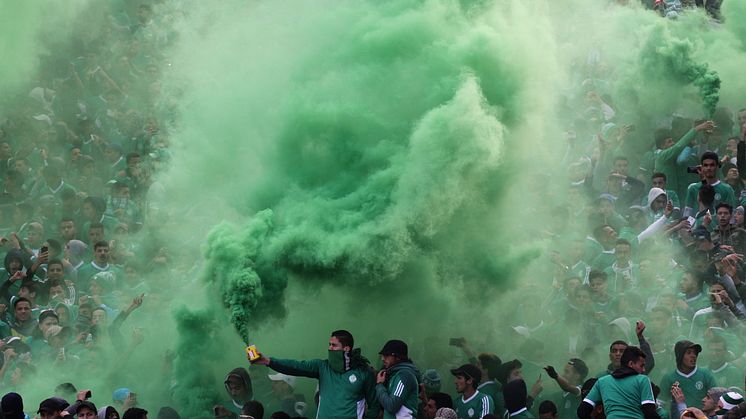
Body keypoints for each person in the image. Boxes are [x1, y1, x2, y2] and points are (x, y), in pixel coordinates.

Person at [251, 330, 379, 419]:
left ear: (346, 348)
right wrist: (268, 361)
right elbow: (296, 366)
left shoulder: (363, 372)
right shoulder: (322, 367)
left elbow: (374, 405)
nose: (330, 348)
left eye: (334, 345)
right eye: (329, 344)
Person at [577, 346, 659, 419]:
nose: (644, 370)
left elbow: (582, 411)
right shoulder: (643, 380)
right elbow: (649, 412)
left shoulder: (602, 381)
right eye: (641, 365)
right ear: (631, 364)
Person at [659, 340, 717, 411]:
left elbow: (716, 399)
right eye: (689, 353)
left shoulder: (705, 374)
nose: (693, 356)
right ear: (680, 356)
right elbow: (660, 403)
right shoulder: (669, 378)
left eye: (695, 353)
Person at [374, 339, 421, 419]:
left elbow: (391, 406)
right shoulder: (395, 374)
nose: (383, 358)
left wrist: (380, 385)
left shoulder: (405, 375)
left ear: (398, 357)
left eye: (387, 355)